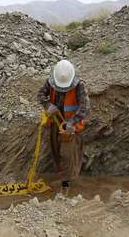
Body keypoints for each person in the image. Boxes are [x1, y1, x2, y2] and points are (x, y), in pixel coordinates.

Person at [37, 59, 90, 194]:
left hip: (71, 127)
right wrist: (49, 105)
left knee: (67, 155)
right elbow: (40, 95)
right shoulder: (51, 81)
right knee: (56, 152)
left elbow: (84, 107)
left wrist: (71, 122)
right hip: (56, 123)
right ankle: (63, 178)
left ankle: (66, 184)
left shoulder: (79, 86)